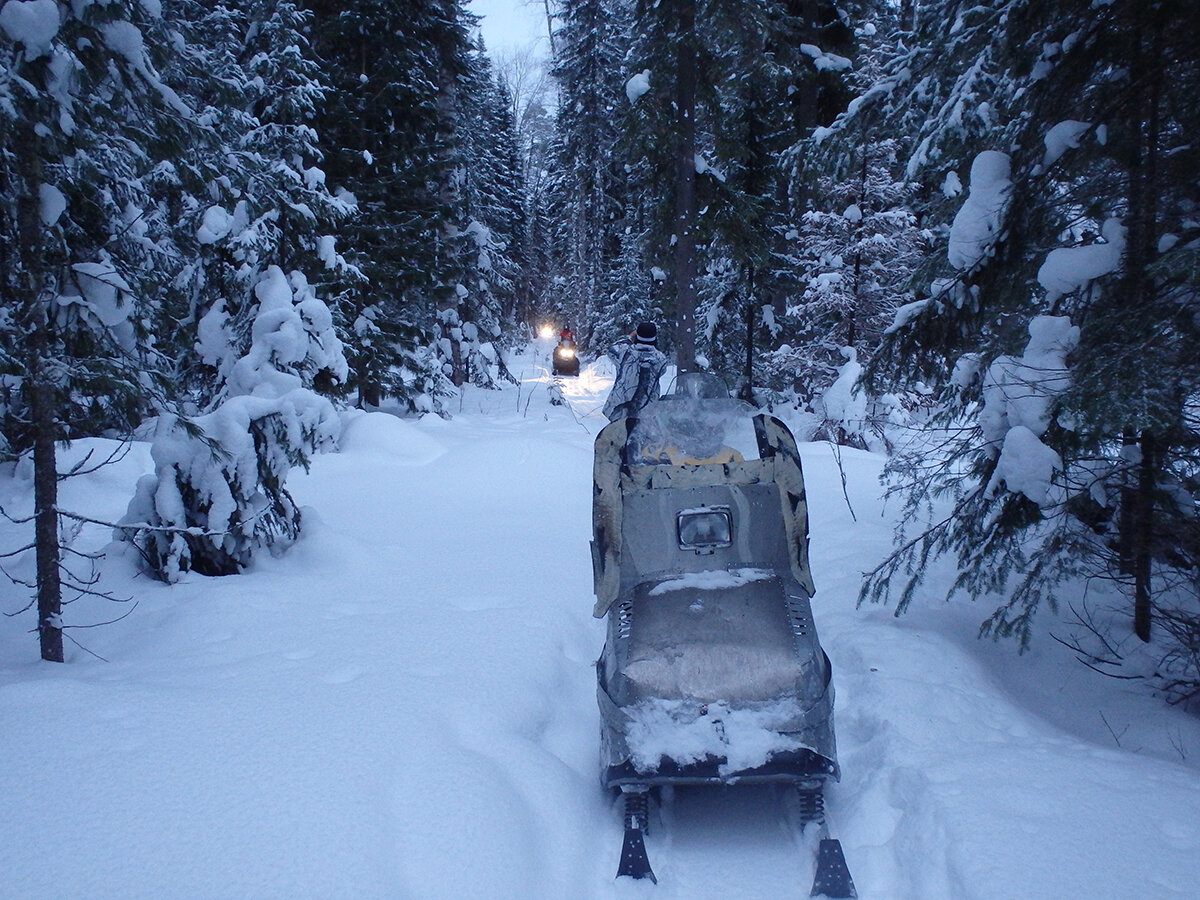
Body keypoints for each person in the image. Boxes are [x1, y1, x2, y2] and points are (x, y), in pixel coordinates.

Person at [603, 321, 669, 421]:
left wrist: (629, 337)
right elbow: (662, 371)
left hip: (620, 411)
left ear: (637, 336)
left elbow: (611, 349)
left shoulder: (625, 352)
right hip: (646, 413)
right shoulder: (661, 359)